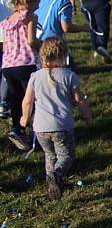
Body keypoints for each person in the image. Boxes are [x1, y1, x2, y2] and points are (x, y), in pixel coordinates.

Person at [20, 37, 93, 200]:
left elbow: (27, 101)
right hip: (62, 126)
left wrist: (24, 118)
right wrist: (87, 116)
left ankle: (52, 184)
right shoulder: (69, 75)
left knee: (50, 155)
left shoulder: (35, 76)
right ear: (63, 55)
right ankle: (57, 174)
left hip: (40, 128)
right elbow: (79, 100)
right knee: (66, 155)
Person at [0, 0, 41, 150]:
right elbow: (31, 40)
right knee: (32, 100)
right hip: (25, 63)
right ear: (29, 2)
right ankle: (39, 134)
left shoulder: (6, 21)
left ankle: (18, 130)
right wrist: (43, 45)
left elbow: (3, 45)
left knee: (16, 99)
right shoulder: (30, 16)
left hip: (8, 65)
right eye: (38, 2)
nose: (39, 5)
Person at [36, 0, 90, 70]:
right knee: (69, 70)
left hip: (35, 38)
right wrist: (84, 27)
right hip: (51, 43)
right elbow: (66, 27)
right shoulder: (63, 1)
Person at [0, 0, 22, 119]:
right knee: (6, 73)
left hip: (1, 39)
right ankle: (4, 102)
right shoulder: (19, 3)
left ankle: (3, 103)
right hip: (12, 42)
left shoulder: (1, 1)